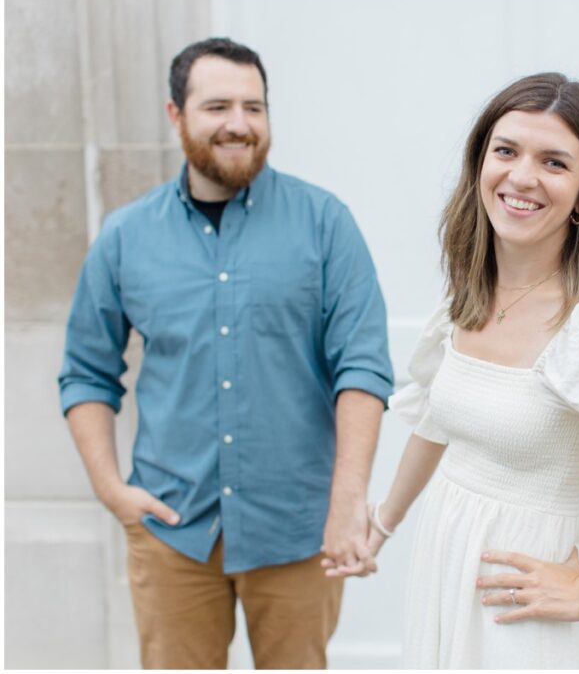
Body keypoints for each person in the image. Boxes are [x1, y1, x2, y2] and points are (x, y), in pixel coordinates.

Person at [329, 72, 579, 668]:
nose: (522, 177)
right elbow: (438, 423)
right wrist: (381, 525)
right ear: (480, 166)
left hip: (517, 599)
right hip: (443, 568)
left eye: (554, 162)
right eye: (506, 151)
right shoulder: (467, 297)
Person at [58, 37, 393, 669]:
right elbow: (85, 373)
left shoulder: (325, 223)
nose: (239, 124)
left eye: (254, 107)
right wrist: (111, 490)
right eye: (217, 106)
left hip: (298, 531)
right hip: (171, 531)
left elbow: (364, 367)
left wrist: (348, 504)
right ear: (175, 115)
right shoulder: (126, 237)